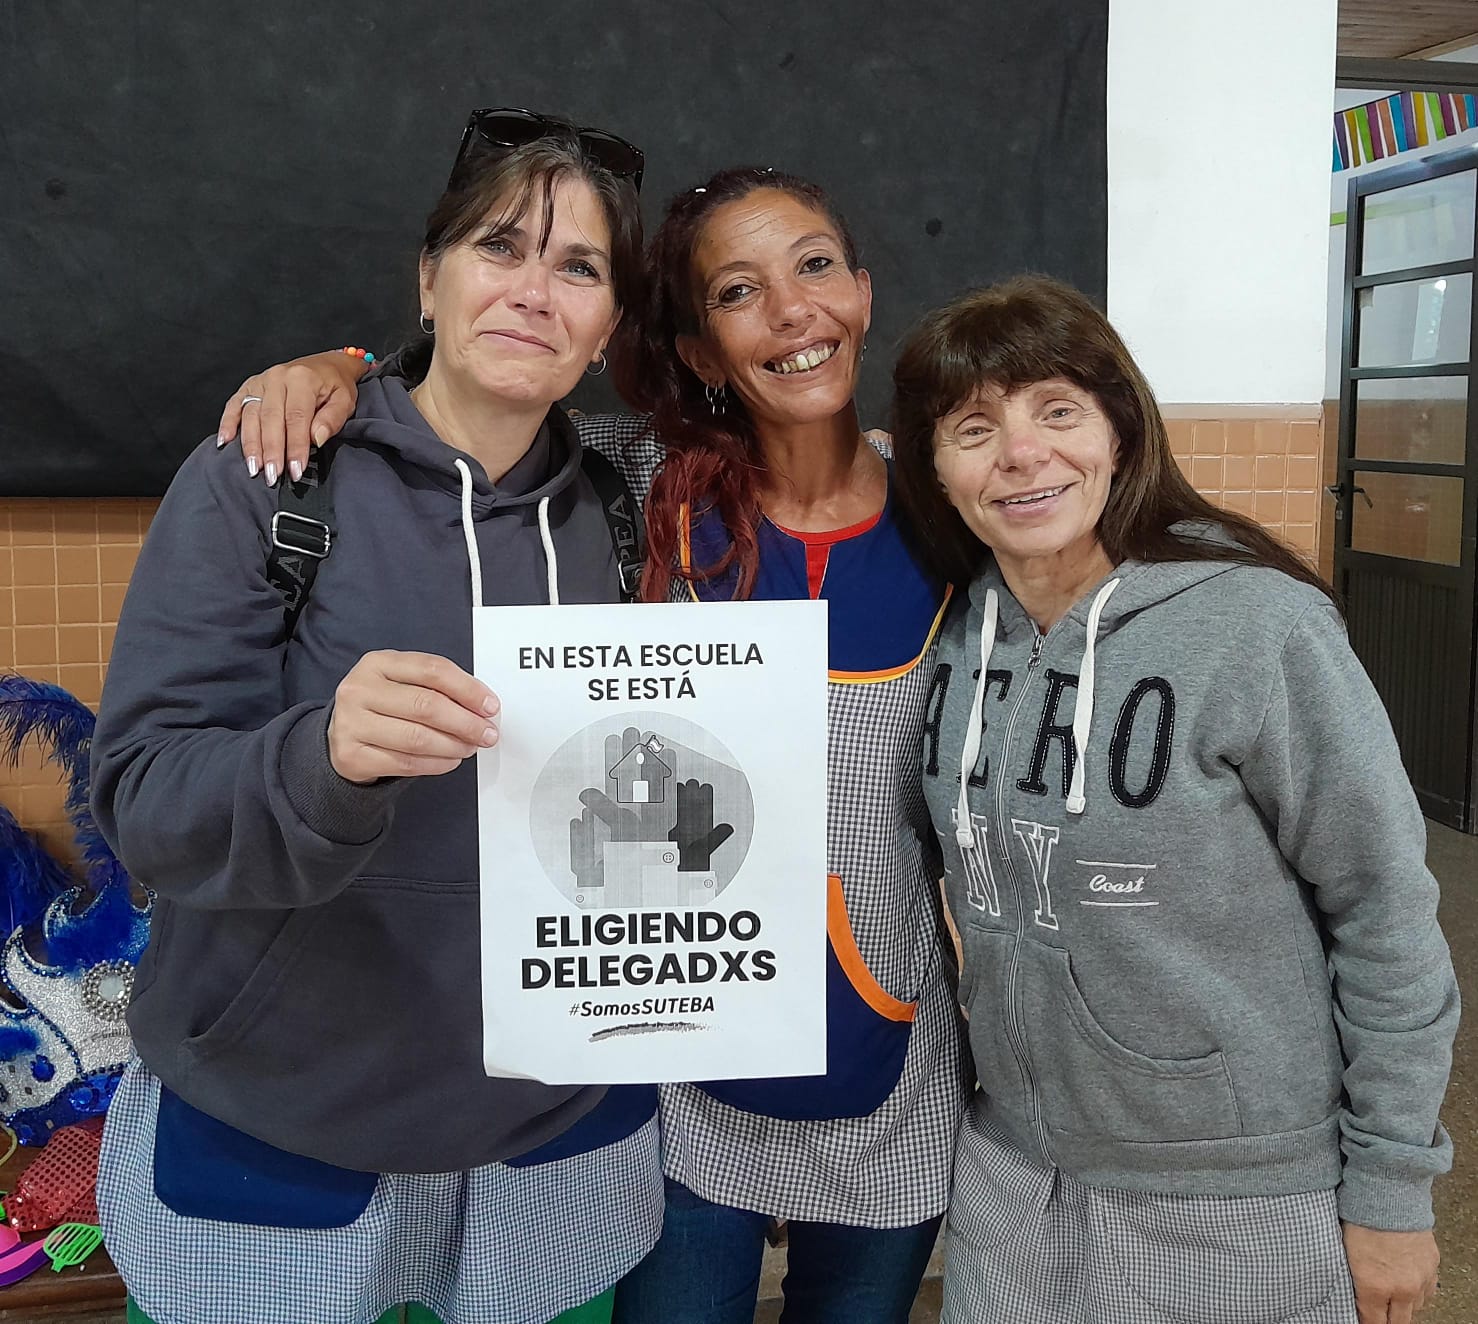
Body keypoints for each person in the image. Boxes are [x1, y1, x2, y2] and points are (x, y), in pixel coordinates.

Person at [216, 165, 969, 1324]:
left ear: (862, 294)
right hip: (674, 1058)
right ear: (700, 348)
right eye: (736, 291)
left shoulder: (948, 508)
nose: (790, 311)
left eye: (815, 267)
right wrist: (344, 368)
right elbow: (478, 386)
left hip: (887, 1055)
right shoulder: (635, 483)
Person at [90, 109, 663, 1324]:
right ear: (427, 277)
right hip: (282, 1127)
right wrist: (320, 760)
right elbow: (143, 797)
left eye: (578, 267)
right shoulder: (267, 476)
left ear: (609, 325)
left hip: (553, 1137)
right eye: (499, 247)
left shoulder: (629, 504)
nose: (533, 292)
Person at [889, 274, 1459, 1324]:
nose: (1021, 453)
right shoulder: (957, 636)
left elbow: (1383, 910)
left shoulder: (1256, 626)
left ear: (1118, 431)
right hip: (1014, 1175)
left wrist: (1392, 1186)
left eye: (1057, 411)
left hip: (1236, 1191)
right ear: (934, 467)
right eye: (973, 429)